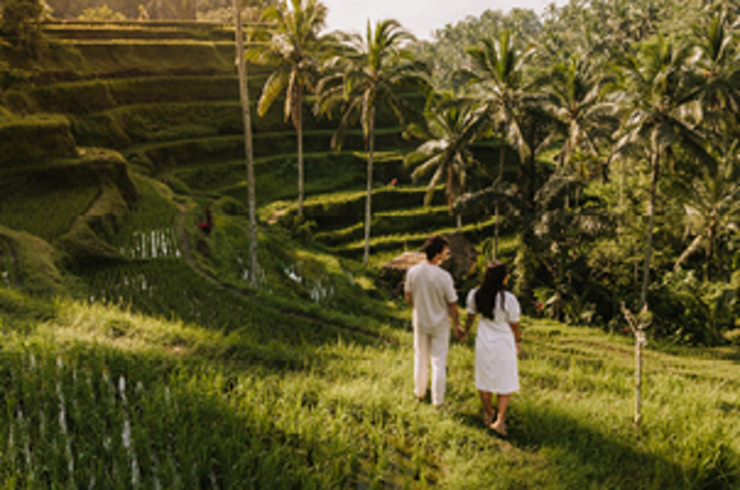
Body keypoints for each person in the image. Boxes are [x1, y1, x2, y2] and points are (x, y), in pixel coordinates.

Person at [461, 261, 521, 436]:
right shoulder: (508, 299)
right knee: (505, 382)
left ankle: (488, 413)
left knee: (484, 379)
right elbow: (515, 324)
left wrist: (465, 332)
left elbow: (470, 317)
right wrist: (518, 341)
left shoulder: (475, 295)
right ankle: (500, 421)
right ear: (503, 278)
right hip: (503, 343)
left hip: (484, 342)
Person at [404, 235, 461, 407]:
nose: (447, 253)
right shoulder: (444, 276)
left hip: (420, 321)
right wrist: (457, 324)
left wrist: (416, 308)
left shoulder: (413, 271)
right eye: (445, 251)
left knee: (420, 358)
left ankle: (419, 393)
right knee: (438, 362)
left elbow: (408, 295)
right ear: (437, 254)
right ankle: (438, 401)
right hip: (440, 324)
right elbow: (452, 304)